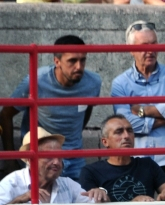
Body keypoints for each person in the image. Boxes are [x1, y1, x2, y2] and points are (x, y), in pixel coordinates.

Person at [0, 35, 101, 181]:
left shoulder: (93, 82)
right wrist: (10, 160)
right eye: (72, 61)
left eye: (83, 60)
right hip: (40, 155)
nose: (79, 66)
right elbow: (6, 114)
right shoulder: (37, 81)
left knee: (78, 201)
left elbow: (88, 107)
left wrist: (75, 134)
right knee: (39, 200)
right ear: (57, 61)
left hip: (74, 157)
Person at [111, 21, 165, 186]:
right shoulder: (120, 83)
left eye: (154, 43)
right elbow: (127, 123)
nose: (150, 50)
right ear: (130, 49)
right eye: (144, 45)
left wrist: (145, 111)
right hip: (137, 160)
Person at [79, 115, 165, 202]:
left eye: (130, 131)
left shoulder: (147, 165)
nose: (126, 136)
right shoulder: (90, 171)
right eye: (119, 131)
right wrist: (133, 204)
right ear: (105, 141)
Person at [0, 127, 108, 205]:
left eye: (59, 156)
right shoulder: (11, 183)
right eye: (49, 157)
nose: (56, 162)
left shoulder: (67, 184)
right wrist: (19, 200)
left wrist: (100, 193)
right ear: (29, 159)